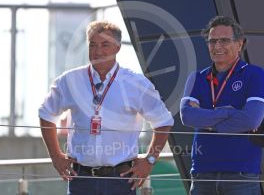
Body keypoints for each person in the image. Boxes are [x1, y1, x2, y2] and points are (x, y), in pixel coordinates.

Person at [39, 20, 174, 195]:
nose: (98, 51)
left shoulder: (136, 83)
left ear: (117, 48)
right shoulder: (70, 80)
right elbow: (46, 114)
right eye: (92, 45)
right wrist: (56, 156)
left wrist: (150, 160)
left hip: (121, 180)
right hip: (81, 180)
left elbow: (164, 121)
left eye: (105, 45)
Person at [180, 16, 264, 195]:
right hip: (201, 175)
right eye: (212, 41)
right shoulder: (197, 78)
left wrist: (206, 120)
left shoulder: (255, 74)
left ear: (240, 44)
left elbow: (251, 120)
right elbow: (187, 116)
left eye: (224, 40)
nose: (217, 46)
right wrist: (226, 113)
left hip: (241, 175)